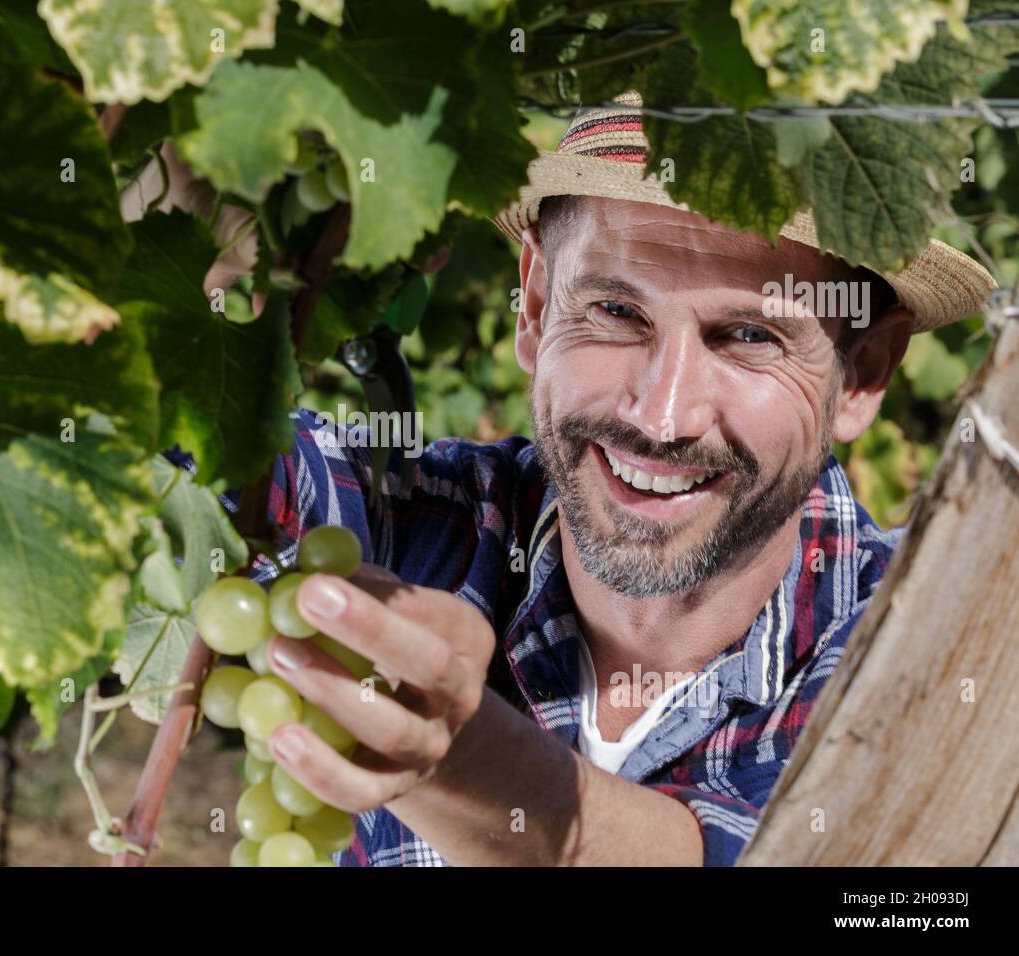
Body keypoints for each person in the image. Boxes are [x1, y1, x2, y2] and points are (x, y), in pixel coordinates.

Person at [155, 92, 996, 866]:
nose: (663, 416)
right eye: (617, 312)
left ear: (863, 374)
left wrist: (463, 757)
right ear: (533, 306)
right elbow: (182, 465)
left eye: (746, 337)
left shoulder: (937, 663)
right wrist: (161, 249)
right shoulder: (407, 522)